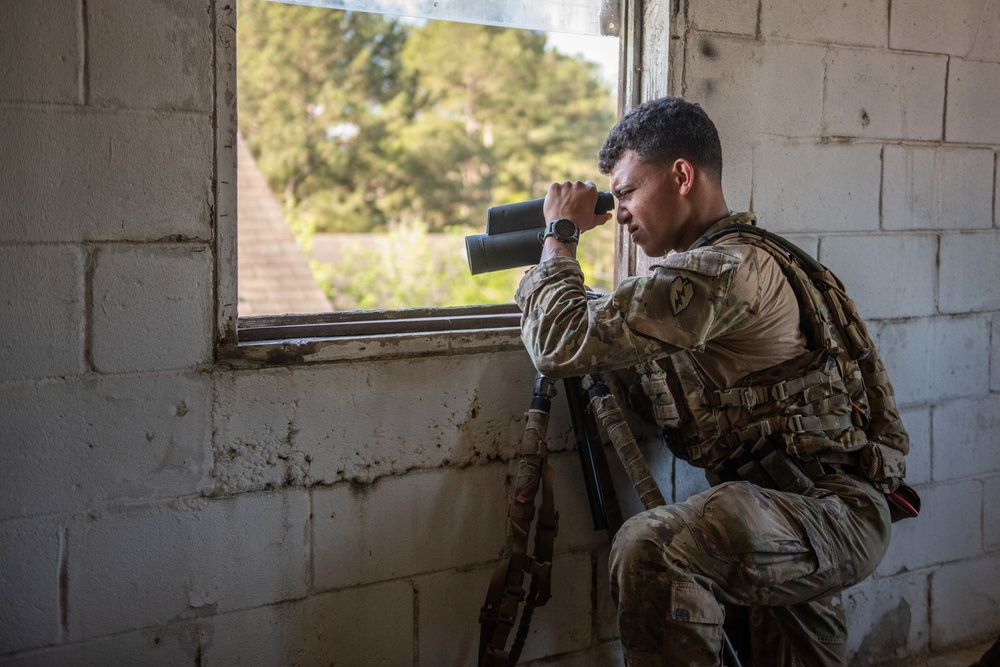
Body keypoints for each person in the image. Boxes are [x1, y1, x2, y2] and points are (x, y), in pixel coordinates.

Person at [514, 96, 915, 666]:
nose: (621, 213)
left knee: (652, 547)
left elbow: (558, 341)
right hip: (795, 507)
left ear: (681, 175)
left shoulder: (726, 271)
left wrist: (558, 234)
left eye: (626, 192)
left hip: (822, 512)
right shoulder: (738, 263)